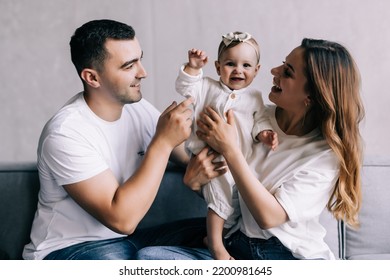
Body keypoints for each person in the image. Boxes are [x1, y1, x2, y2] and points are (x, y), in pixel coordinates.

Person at [136, 38, 365, 260]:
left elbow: (268, 217)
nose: (274, 71)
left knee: (151, 258)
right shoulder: (253, 116)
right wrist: (194, 180)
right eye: (282, 64)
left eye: (288, 72)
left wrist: (230, 149)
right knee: (138, 245)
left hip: (285, 255)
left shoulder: (324, 156)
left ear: (311, 96)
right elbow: (229, 188)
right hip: (238, 238)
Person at [22, 19, 225, 260]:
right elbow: (122, 219)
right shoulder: (65, 133)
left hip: (125, 241)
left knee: (224, 235)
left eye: (140, 59)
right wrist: (162, 143)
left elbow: (188, 158)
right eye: (129, 65)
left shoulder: (137, 109)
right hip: (69, 250)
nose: (143, 72)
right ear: (92, 78)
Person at [175, 31, 278, 259]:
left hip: (239, 162)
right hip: (211, 160)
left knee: (235, 207)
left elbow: (260, 120)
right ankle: (216, 245)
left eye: (246, 65)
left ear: (257, 70)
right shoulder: (206, 87)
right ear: (217, 66)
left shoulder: (255, 97)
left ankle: (216, 237)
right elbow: (186, 88)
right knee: (219, 203)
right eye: (230, 64)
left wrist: (264, 134)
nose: (238, 70)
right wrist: (192, 68)